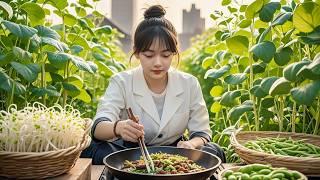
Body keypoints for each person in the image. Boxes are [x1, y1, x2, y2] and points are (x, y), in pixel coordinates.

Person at [80, 5, 226, 167]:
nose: (158, 63)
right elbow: (98, 127)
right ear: (136, 53)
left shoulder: (189, 83)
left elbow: (202, 133)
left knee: (214, 151)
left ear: (174, 53)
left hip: (176, 153)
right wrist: (118, 128)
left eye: (165, 55)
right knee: (93, 150)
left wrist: (191, 145)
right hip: (131, 152)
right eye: (149, 55)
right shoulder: (121, 81)